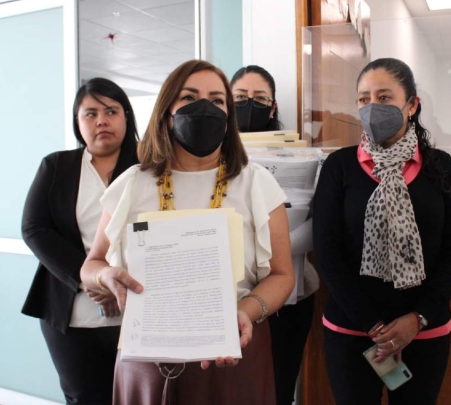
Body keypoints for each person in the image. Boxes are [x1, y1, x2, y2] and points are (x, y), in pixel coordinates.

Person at [79, 60, 295, 405]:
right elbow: (91, 264)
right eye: (190, 97)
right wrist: (106, 275)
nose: (204, 108)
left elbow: (283, 275)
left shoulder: (256, 182)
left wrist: (244, 312)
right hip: (147, 353)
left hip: (233, 349)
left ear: (228, 117)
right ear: (167, 112)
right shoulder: (133, 183)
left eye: (217, 100)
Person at [313, 58, 451, 404]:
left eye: (384, 97)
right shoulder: (339, 166)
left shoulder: (440, 166)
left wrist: (418, 318)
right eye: (363, 99)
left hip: (425, 332)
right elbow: (327, 251)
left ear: (411, 105)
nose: (371, 107)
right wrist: (375, 327)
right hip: (352, 331)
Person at [21, 78, 139, 404]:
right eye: (90, 113)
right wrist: (91, 279)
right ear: (77, 122)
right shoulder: (57, 166)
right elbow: (34, 228)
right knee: (84, 397)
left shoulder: (149, 167)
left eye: (111, 111)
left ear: (126, 117)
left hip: (137, 309)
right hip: (69, 313)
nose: (101, 120)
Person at [231, 65, 318, 405]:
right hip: (231, 295)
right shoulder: (206, 155)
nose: (249, 104)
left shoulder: (301, 154)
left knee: (279, 388)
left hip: (291, 296)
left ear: (273, 106)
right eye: (240, 98)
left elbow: (319, 222)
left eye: (259, 98)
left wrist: (270, 252)